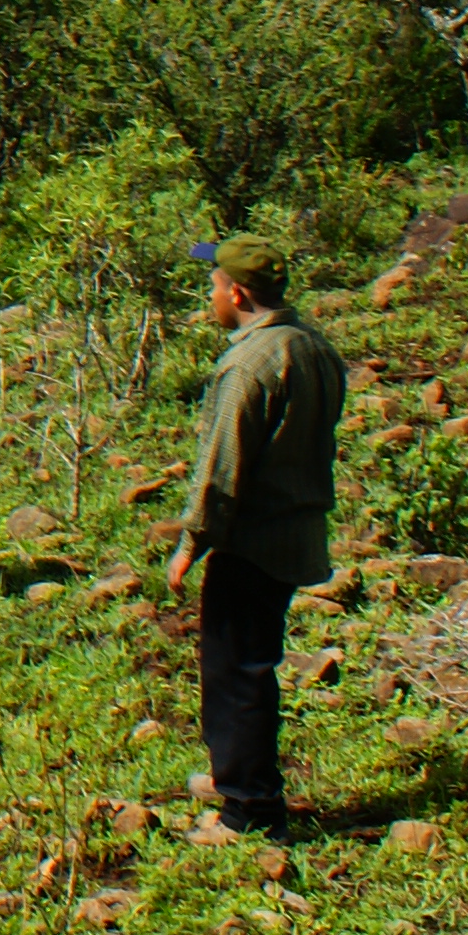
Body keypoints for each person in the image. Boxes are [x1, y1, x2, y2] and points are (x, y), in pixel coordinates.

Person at [162, 232, 347, 839]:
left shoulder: (247, 365)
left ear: (236, 292)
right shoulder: (311, 345)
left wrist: (193, 541)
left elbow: (221, 467)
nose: (209, 296)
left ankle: (247, 808)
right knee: (250, 660)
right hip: (297, 532)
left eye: (213, 286)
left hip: (251, 540)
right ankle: (233, 774)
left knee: (235, 670)